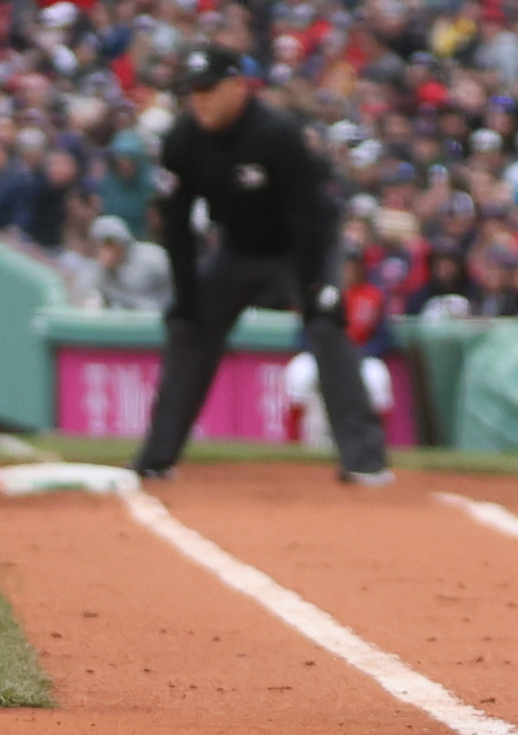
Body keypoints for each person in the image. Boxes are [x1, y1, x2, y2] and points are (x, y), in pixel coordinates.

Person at [134, 49, 388, 486]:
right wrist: (187, 297)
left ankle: (365, 461)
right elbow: (175, 223)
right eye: (193, 92)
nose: (200, 101)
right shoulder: (182, 140)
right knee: (188, 328)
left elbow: (310, 216)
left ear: (238, 87)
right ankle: (157, 458)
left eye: (208, 90)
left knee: (326, 326)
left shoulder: (276, 134)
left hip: (301, 246)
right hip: (237, 248)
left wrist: (315, 287)